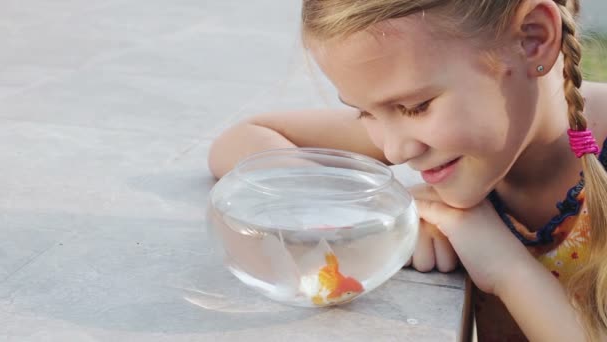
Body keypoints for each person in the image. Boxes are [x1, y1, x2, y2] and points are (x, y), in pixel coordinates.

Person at [208, 0, 607, 340]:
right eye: (365, 111)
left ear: (532, 39)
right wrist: (381, 211)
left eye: (417, 107)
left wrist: (503, 265)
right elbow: (245, 137)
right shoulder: (467, 141)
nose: (394, 150)